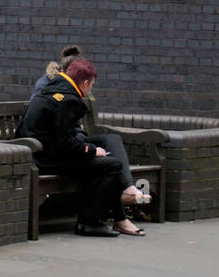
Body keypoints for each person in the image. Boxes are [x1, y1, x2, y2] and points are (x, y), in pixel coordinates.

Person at [16, 58, 151, 238]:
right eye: (92, 85)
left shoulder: (55, 89)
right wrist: (92, 151)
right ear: (85, 82)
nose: (91, 90)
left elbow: (71, 132)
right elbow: (65, 143)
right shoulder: (68, 100)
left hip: (43, 152)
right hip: (46, 159)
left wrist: (88, 146)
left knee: (110, 140)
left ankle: (126, 192)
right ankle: (90, 222)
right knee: (111, 165)